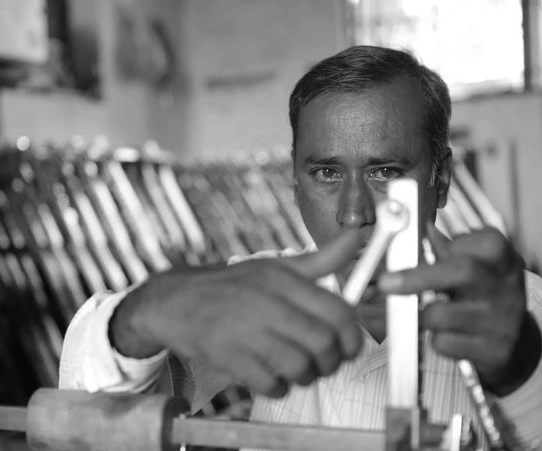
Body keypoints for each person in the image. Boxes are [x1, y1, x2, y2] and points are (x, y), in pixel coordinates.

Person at [59, 46, 542, 449]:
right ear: (294, 181)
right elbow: (85, 416)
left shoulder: (526, 314)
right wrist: (143, 313)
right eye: (327, 173)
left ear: (441, 180)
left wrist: (522, 376)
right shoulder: (261, 293)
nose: (354, 213)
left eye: (385, 172)